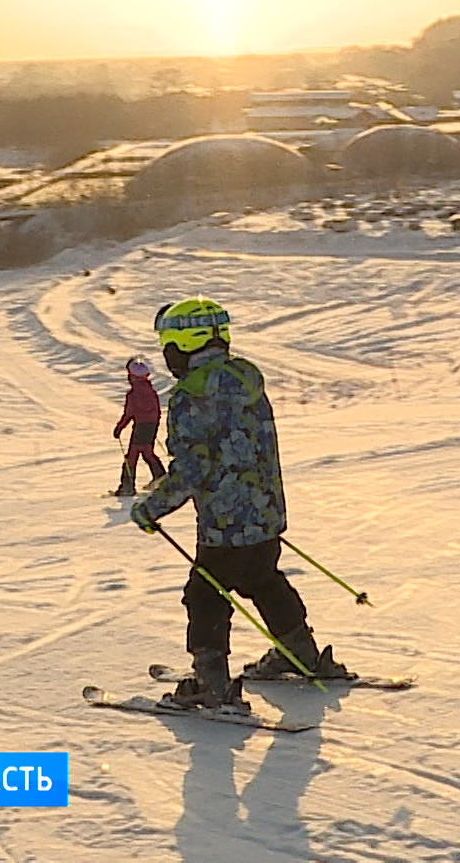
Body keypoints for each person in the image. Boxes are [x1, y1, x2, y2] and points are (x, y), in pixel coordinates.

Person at [129, 297, 347, 710]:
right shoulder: (247, 380)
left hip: (224, 523)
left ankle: (211, 682)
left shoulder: (192, 396)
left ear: (184, 346)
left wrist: (151, 508)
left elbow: (192, 469)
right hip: (265, 515)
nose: (166, 357)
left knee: (205, 593)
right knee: (262, 578)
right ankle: (299, 651)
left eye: (168, 347)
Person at [113, 355, 166, 497]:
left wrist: (119, 428)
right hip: (151, 425)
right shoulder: (151, 391)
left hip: (141, 426)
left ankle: (127, 486)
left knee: (132, 455)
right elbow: (157, 410)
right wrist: (154, 424)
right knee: (147, 452)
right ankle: (160, 477)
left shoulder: (133, 394)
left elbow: (129, 413)